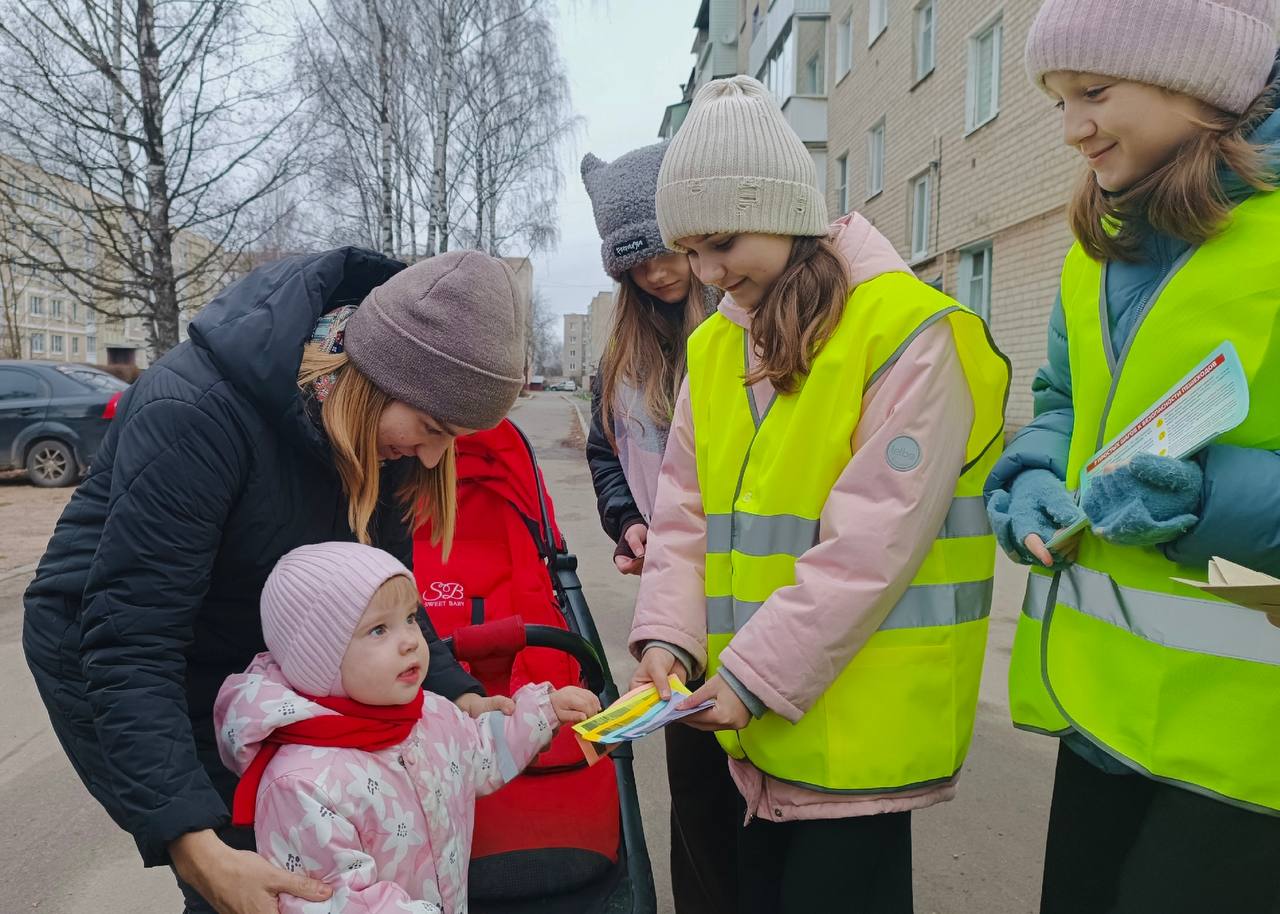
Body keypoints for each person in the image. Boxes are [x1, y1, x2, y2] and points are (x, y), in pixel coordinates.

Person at [23, 248, 529, 914]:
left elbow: (384, 596)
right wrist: (195, 846)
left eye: (451, 438)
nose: (433, 457)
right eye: (432, 429)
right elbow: (133, 643)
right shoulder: (196, 412)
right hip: (120, 653)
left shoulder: (386, 434)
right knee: (245, 872)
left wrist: (455, 694)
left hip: (259, 641)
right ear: (376, 378)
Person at [628, 76, 1010, 914]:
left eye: (722, 242)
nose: (708, 273)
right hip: (749, 717)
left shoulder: (907, 331)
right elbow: (684, 516)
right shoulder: (715, 347)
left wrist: (751, 677)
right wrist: (669, 641)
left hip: (853, 730)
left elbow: (872, 545)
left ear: (786, 211)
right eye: (690, 251)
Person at [985, 1, 1280, 911]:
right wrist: (1035, 477)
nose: (1071, 128)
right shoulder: (1099, 248)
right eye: (1058, 99)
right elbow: (1064, 405)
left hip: (1248, 740)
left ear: (1202, 78)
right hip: (1101, 717)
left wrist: (1209, 500)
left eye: (1095, 91)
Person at [214, 541, 599, 914]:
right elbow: (339, 901)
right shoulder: (301, 786)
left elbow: (479, 753)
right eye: (379, 630)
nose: (411, 641)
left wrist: (541, 712)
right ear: (319, 658)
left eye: (411, 618)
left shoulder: (428, 713)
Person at [580, 142, 735, 914]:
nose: (656, 274)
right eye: (634, 265)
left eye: (664, 252)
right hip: (674, 598)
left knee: (759, 788)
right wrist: (629, 520)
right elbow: (604, 449)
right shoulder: (624, 352)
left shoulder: (740, 324)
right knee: (696, 790)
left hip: (747, 585)